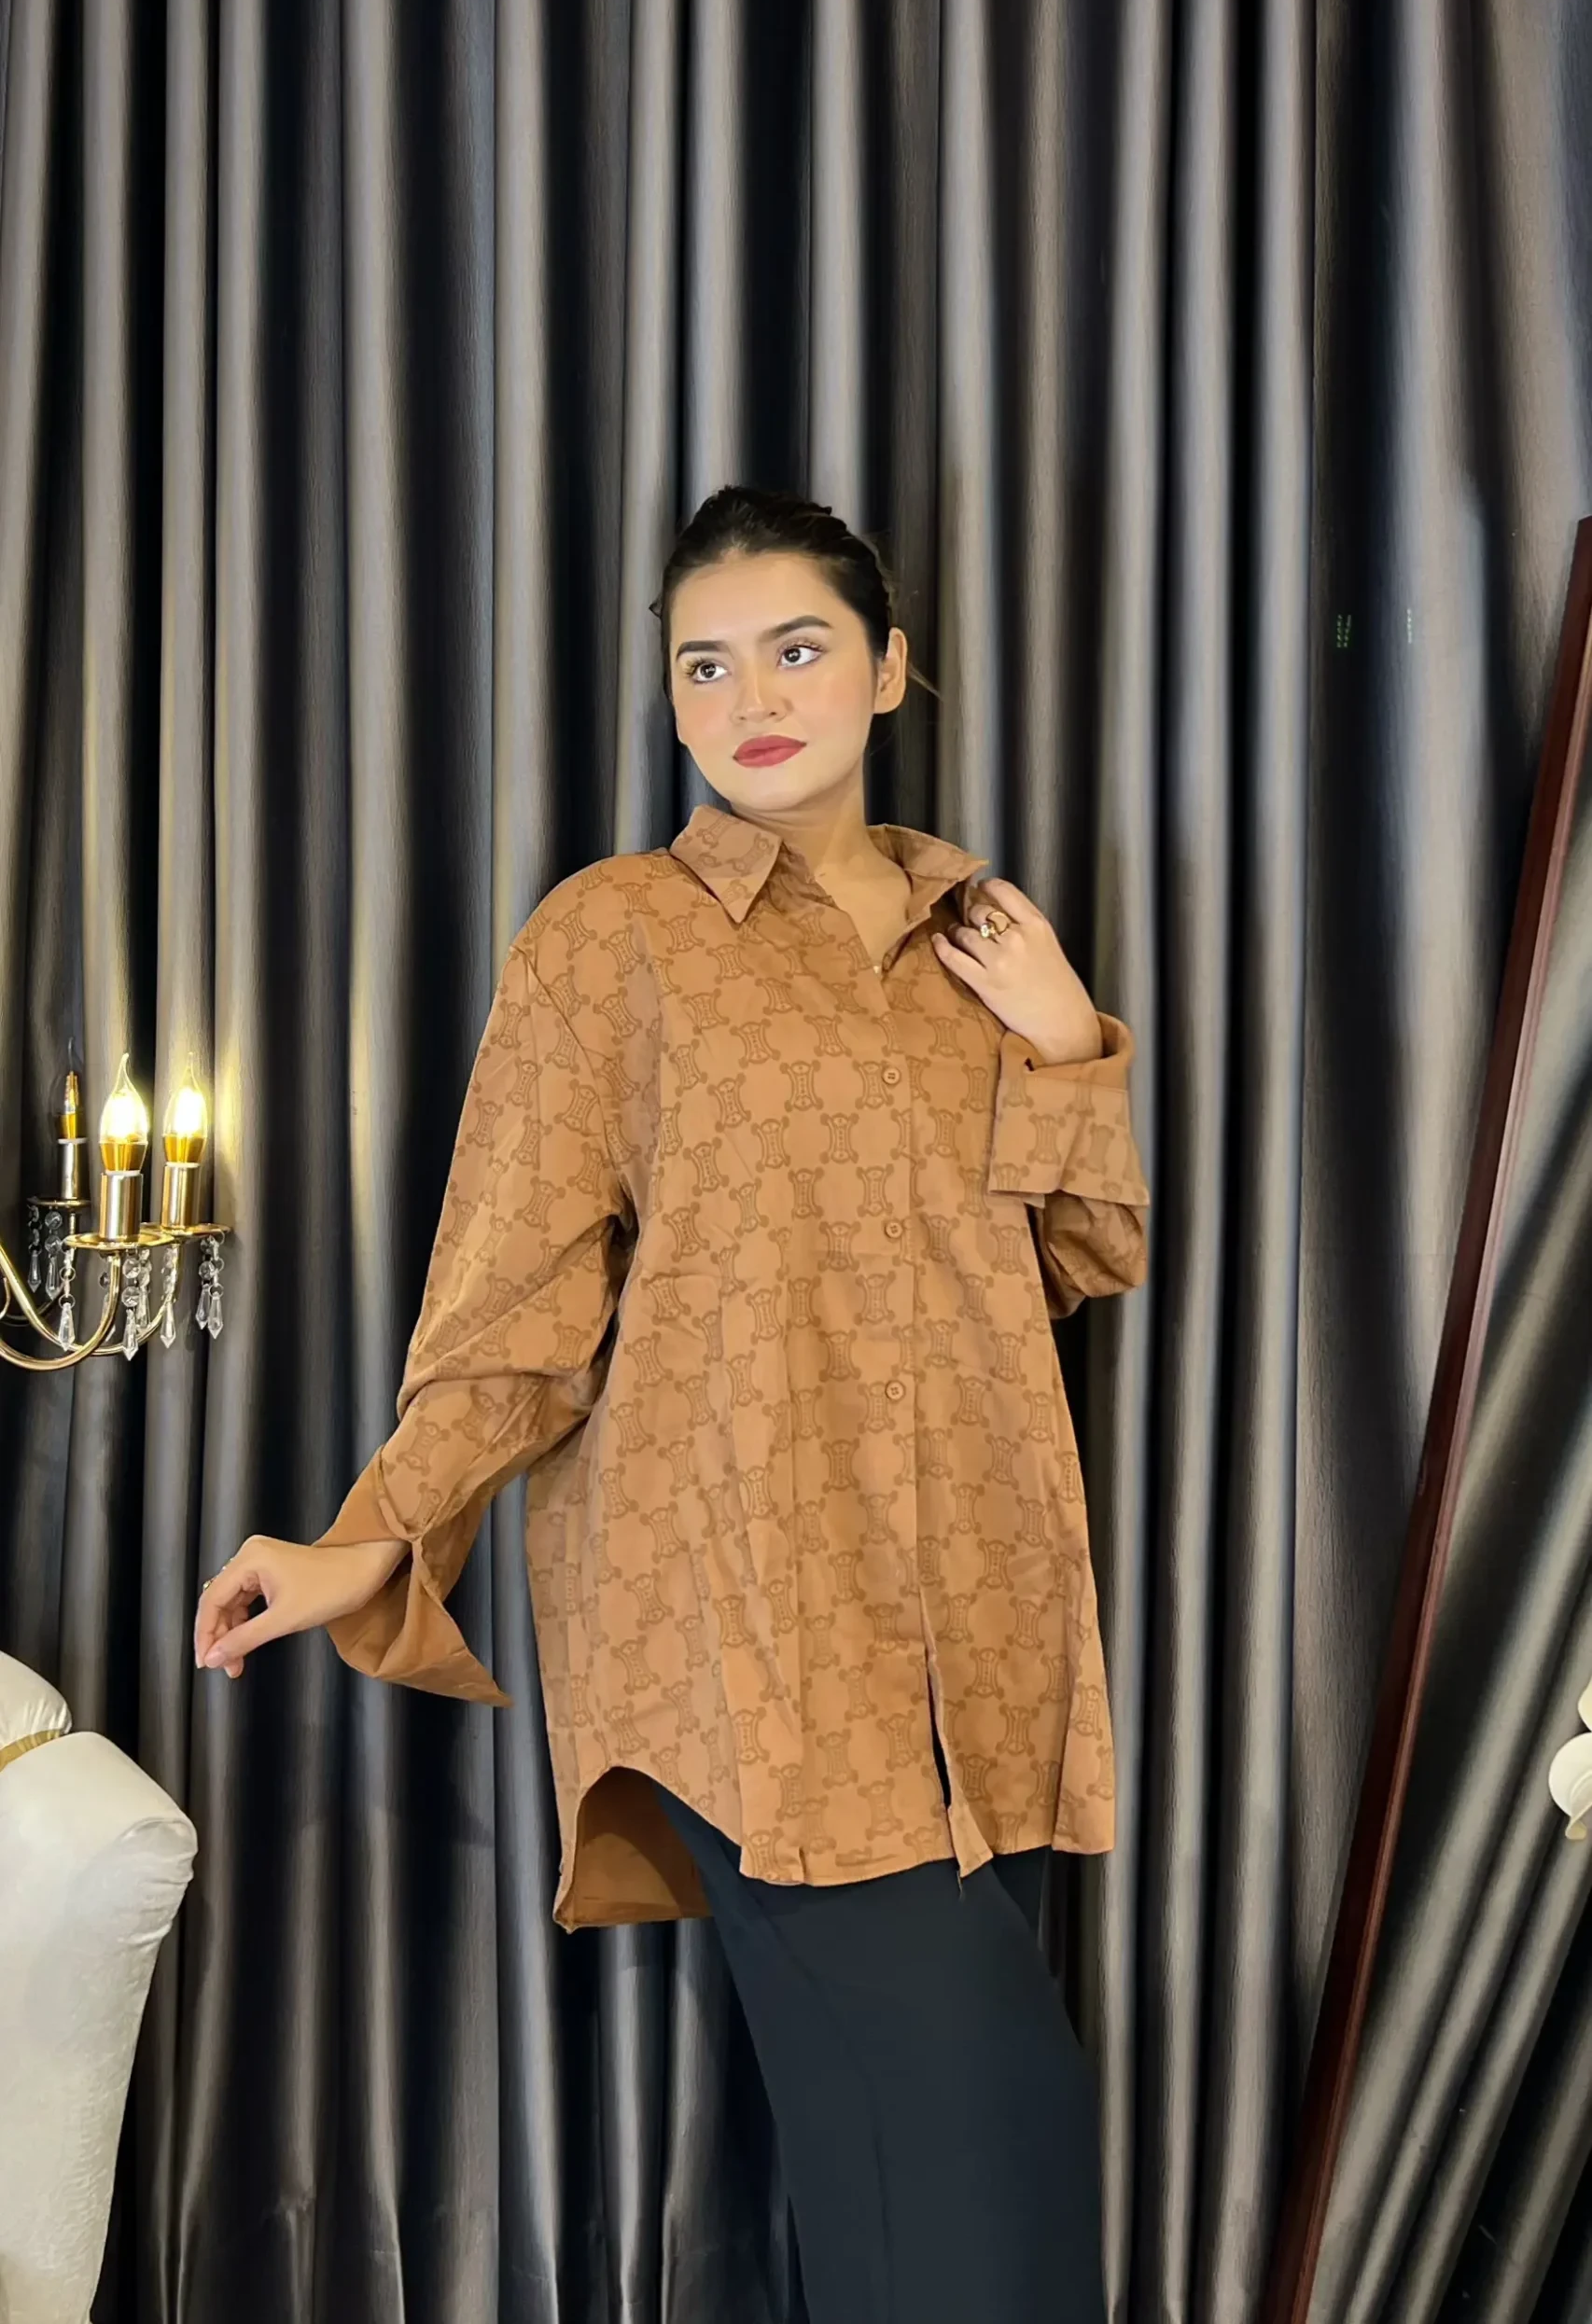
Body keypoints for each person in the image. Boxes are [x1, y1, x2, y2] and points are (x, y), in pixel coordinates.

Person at [193, 486, 1150, 2324]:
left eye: (794, 649)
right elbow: (520, 1291)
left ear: (887, 668)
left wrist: (1059, 1043)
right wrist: (368, 1536)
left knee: (913, 2198)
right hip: (750, 1621)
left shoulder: (980, 929)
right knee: (988, 2161)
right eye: (703, 667)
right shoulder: (613, 935)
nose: (747, 698)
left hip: (980, 1622)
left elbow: (1075, 1261)